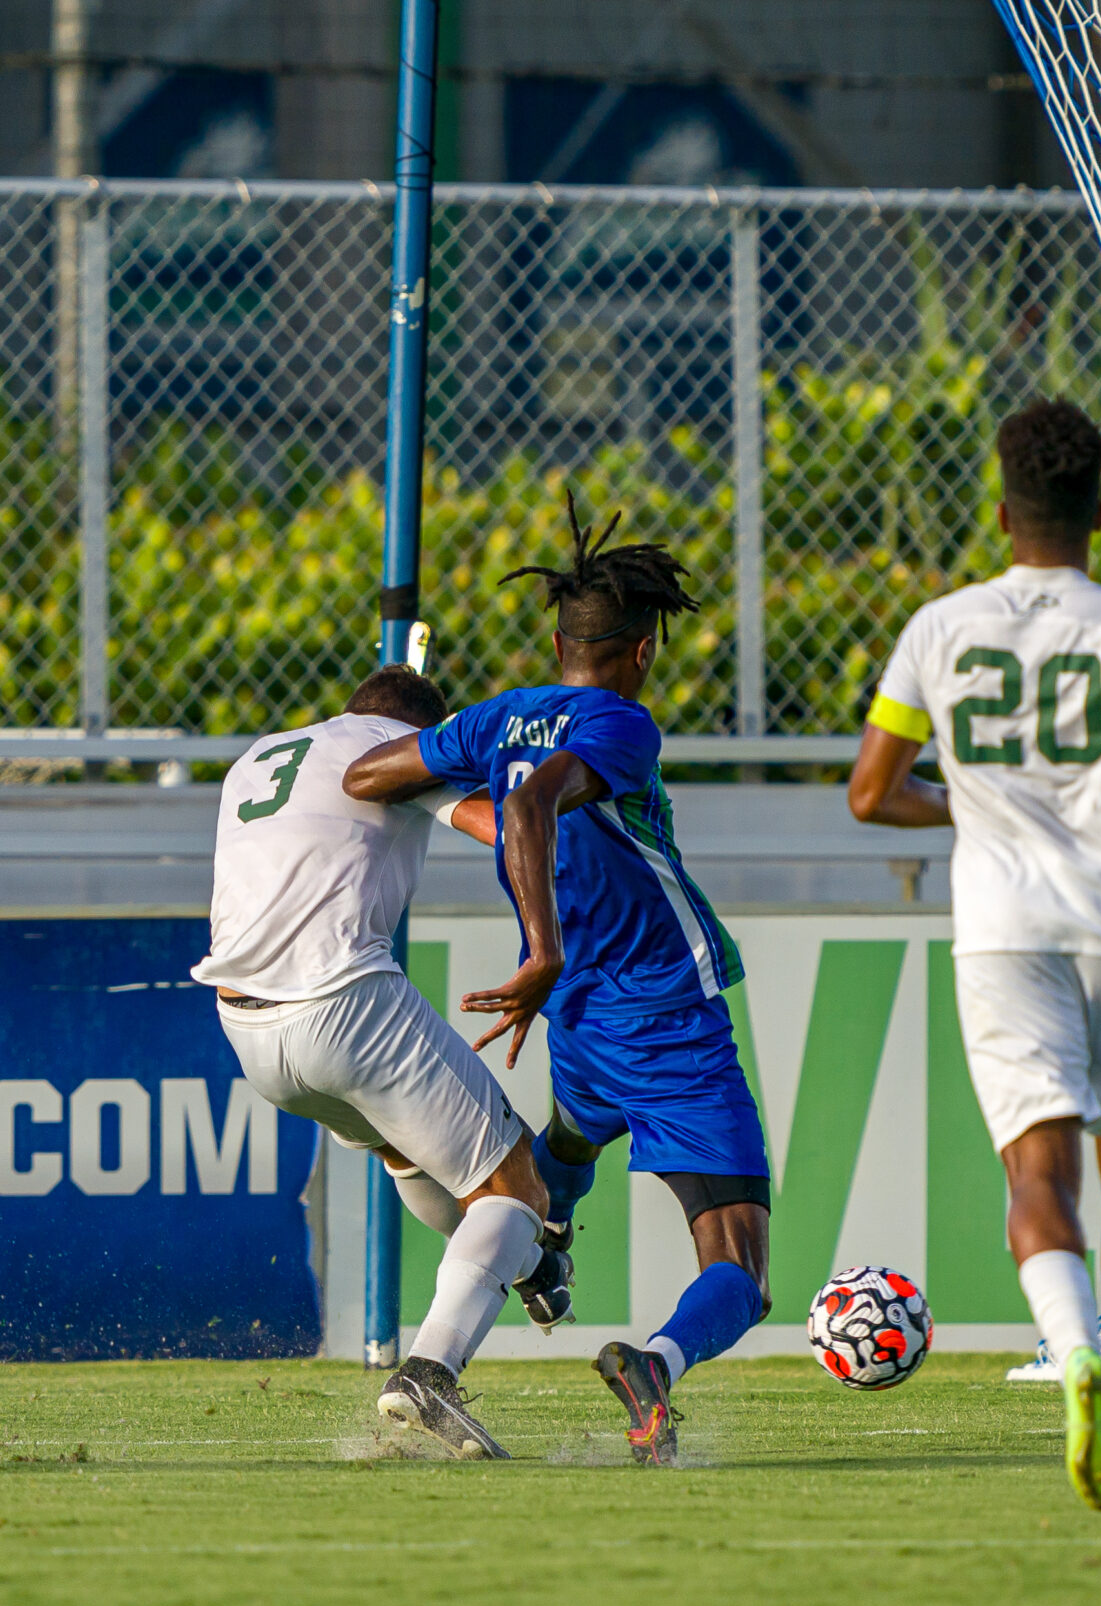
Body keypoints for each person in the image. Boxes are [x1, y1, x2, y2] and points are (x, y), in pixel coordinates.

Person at [343, 501, 770, 1467]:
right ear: (646, 647)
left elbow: (370, 774)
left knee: (573, 1134)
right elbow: (538, 799)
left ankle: (550, 1230)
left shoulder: (495, 719)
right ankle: (655, 1364)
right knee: (740, 1267)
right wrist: (541, 949)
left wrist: (455, 801)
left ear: (556, 639)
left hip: (578, 1021)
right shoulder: (624, 723)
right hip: (661, 1013)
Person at [848, 399, 1101, 1510]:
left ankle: (1074, 1357)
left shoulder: (940, 626)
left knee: (1035, 1171)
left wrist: (975, 805)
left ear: (1001, 511)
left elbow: (870, 791)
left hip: (1001, 925)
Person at [193, 664, 569, 1459]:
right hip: (342, 1000)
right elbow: (496, 824)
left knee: (410, 1149)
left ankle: (522, 1258)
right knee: (516, 1183)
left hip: (245, 1028)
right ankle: (433, 1369)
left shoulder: (259, 756)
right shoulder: (398, 751)